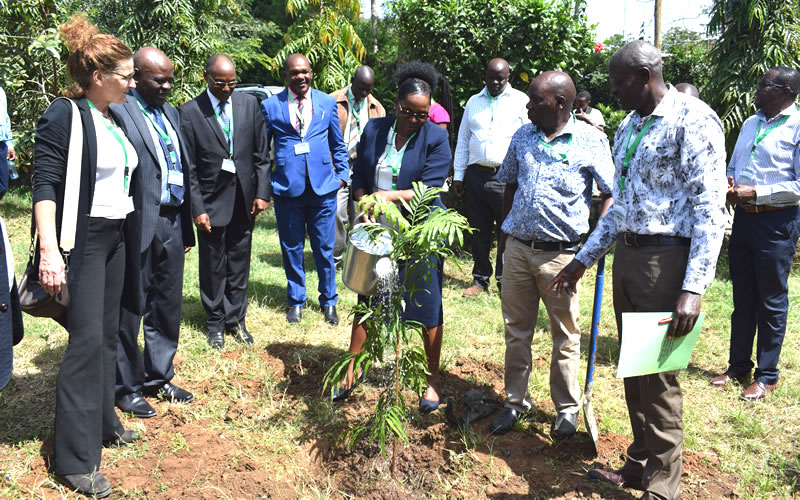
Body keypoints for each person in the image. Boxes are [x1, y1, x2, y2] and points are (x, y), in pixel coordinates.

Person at [550, 41, 727, 499]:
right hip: (629, 258)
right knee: (635, 370)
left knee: (660, 376)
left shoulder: (693, 119)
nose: (612, 91)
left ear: (646, 74)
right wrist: (582, 260)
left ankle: (662, 488)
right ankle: (639, 464)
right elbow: (619, 206)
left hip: (667, 262)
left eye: (619, 82)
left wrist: (694, 286)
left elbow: (711, 206)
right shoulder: (629, 126)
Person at [33, 15, 142, 497]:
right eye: (126, 75)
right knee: (83, 344)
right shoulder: (66, 114)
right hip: (84, 242)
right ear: (98, 77)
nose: (133, 81)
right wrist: (50, 251)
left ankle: (104, 424)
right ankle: (75, 460)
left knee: (107, 335)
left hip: (115, 235)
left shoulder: (112, 115)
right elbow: (44, 186)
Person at [486, 71, 614, 437]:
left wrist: (593, 248)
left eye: (535, 100)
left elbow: (611, 194)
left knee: (565, 334)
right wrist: (505, 238)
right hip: (519, 252)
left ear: (559, 103)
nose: (527, 105)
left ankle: (567, 410)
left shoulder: (590, 141)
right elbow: (510, 183)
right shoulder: (523, 135)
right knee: (517, 330)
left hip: (562, 258)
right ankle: (514, 402)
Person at [333, 61, 451, 412]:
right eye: (409, 113)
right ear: (396, 105)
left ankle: (432, 378)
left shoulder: (437, 137)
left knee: (426, 305)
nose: (416, 120)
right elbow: (360, 178)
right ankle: (352, 369)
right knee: (368, 300)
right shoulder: (375, 129)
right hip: (377, 233)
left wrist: (386, 198)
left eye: (423, 115)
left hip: (418, 232)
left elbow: (427, 190)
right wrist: (363, 200)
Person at [111, 47, 196, 419]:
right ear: (137, 78)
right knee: (132, 306)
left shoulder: (170, 112)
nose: (167, 86)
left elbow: (181, 165)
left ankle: (158, 376)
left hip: (173, 219)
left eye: (170, 79)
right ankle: (125, 386)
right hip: (138, 221)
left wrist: (189, 220)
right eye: (159, 80)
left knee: (167, 303)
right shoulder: (119, 110)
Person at [711, 67, 800, 401]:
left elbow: (799, 186)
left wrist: (757, 193)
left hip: (777, 223)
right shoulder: (751, 123)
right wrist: (731, 184)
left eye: (764, 84)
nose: (757, 88)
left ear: (785, 91)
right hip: (745, 220)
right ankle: (738, 366)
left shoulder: (797, 127)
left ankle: (767, 375)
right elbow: (734, 167)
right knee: (743, 296)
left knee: (771, 300)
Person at [180, 54, 270, 349]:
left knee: (240, 262)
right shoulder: (191, 112)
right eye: (220, 83)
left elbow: (261, 154)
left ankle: (236, 319)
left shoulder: (248, 104)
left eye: (232, 82)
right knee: (212, 264)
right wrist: (197, 209)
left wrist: (261, 193)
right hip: (211, 202)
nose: (228, 89)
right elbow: (189, 167)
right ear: (206, 78)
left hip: (244, 199)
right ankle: (215, 321)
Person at [261, 53, 349, 325]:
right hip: (288, 188)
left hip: (323, 187)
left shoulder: (326, 102)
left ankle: (329, 302)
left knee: (325, 247)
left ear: (311, 73)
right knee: (292, 247)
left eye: (305, 72)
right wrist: (265, 187)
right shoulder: (270, 106)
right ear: (285, 76)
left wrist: (343, 174)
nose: (300, 76)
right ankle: (296, 300)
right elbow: (262, 151)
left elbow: (337, 142)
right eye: (294, 72)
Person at [452, 58, 528, 296]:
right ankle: (480, 279)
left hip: (507, 178)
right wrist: (458, 175)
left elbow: (529, 138)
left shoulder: (521, 101)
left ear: (509, 77)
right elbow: (463, 139)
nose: (495, 82)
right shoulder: (474, 102)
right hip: (476, 177)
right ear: (484, 75)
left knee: (507, 231)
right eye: (491, 77)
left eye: (500, 78)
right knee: (478, 230)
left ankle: (505, 280)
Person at [330, 66, 386, 265]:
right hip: (338, 165)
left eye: (368, 90)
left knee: (359, 213)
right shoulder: (333, 100)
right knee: (336, 211)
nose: (364, 93)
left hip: (362, 167)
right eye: (361, 88)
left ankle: (355, 256)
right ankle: (335, 257)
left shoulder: (377, 108)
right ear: (352, 79)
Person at [0, 85, 17, 195]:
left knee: (2, 186)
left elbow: (5, 119)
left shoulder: (0, 91)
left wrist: (9, 145)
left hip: (1, 144)